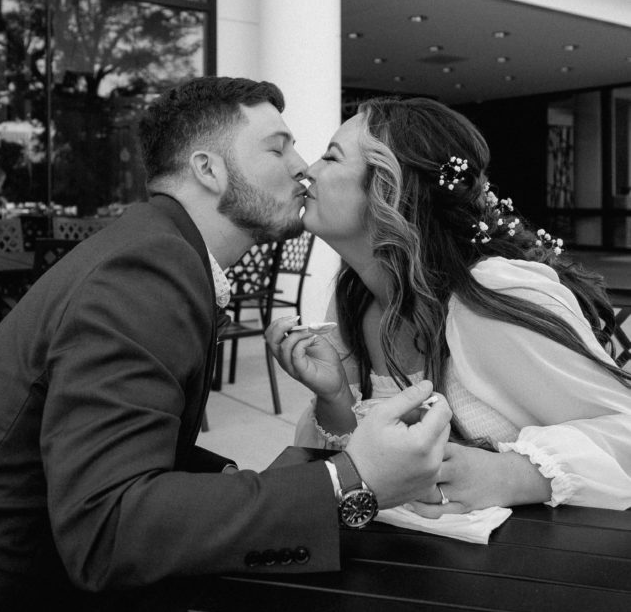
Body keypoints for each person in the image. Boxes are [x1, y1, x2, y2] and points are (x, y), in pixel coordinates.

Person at [0, 77, 451, 612]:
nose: (302, 168)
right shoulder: (150, 266)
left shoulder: (157, 247)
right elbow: (106, 530)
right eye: (278, 148)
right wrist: (350, 482)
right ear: (208, 168)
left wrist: (251, 477)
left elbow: (123, 444)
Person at [266, 96, 631, 514]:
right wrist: (334, 401)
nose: (307, 171)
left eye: (331, 157)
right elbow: (367, 476)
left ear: (390, 188)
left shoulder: (490, 298)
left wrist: (514, 474)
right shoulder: (353, 298)